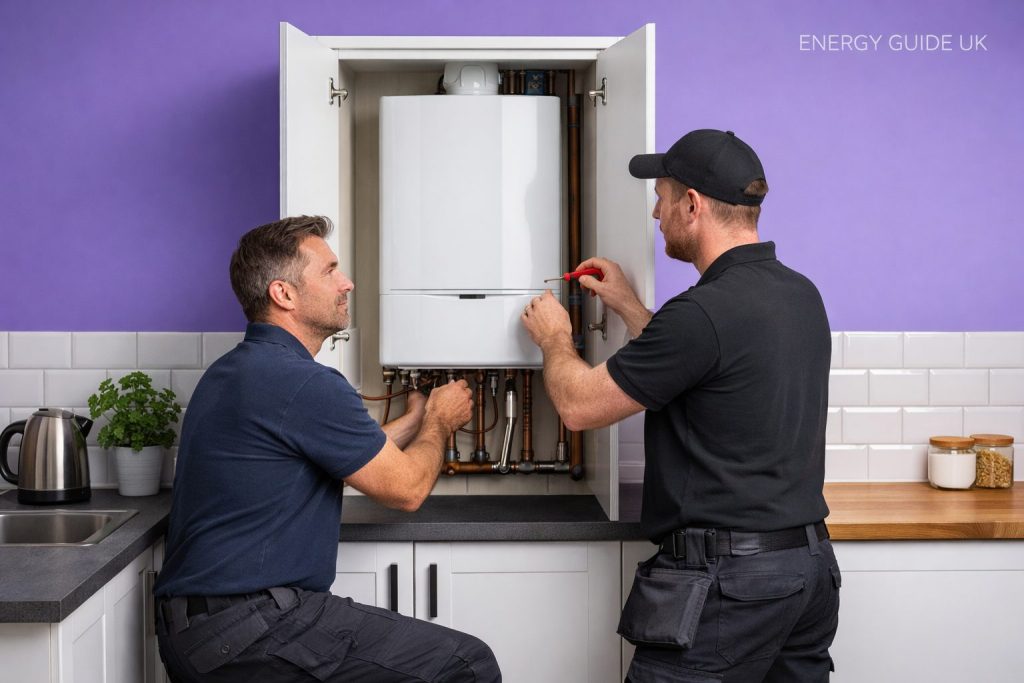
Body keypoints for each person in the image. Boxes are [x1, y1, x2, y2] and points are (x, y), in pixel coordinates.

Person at [521, 129, 839, 682]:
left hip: (731, 584)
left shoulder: (702, 313)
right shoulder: (799, 293)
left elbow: (576, 406)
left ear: (692, 205)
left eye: (662, 197)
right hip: (807, 570)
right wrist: (627, 305)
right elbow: (705, 369)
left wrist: (554, 338)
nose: (655, 213)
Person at [153, 216, 501, 682]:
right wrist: (439, 421)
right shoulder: (303, 382)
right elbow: (407, 489)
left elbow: (350, 452)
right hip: (252, 631)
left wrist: (415, 420)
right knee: (466, 665)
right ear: (285, 294)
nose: (348, 282)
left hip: (202, 633)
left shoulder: (238, 370)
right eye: (330, 271)